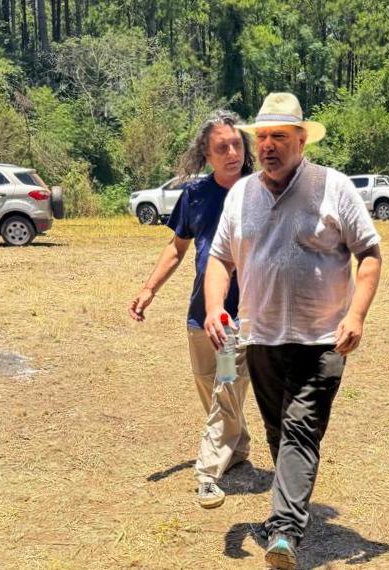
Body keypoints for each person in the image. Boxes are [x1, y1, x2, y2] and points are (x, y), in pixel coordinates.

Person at [203, 92, 382, 570]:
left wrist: (356, 315)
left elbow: (369, 254)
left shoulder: (333, 187)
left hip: (321, 339)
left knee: (300, 430)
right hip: (260, 337)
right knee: (279, 431)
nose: (268, 146)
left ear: (302, 140)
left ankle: (284, 530)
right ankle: (288, 506)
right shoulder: (241, 194)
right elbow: (219, 259)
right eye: (262, 137)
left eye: (279, 136)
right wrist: (215, 307)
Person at [128, 111, 255, 508]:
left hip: (241, 316)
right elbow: (177, 247)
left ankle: (207, 473)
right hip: (201, 314)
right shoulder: (195, 195)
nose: (232, 153)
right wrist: (149, 289)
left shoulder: (260, 190)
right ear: (206, 153)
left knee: (226, 387)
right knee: (208, 383)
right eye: (222, 147)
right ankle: (237, 446)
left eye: (237, 144)